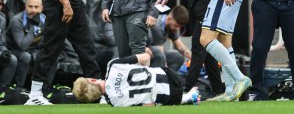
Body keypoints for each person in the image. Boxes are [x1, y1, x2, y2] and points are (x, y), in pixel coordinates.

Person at [72, 53, 200, 106]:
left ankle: (187, 97)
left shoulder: (114, 102)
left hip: (171, 97)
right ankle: (188, 95)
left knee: (151, 100)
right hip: (170, 76)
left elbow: (147, 106)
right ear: (93, 80)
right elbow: (145, 56)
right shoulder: (112, 66)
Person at [6, 0, 45, 90]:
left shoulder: (43, 19)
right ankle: (19, 88)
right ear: (25, 6)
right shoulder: (17, 20)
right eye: (30, 6)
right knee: (26, 56)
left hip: (32, 49)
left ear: (42, 8)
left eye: (36, 7)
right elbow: (22, 45)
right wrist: (33, 26)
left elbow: (45, 41)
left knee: (51, 55)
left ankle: (44, 88)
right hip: (13, 50)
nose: (33, 10)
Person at [148, 5, 191, 71]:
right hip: (146, 52)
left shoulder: (171, 26)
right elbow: (160, 51)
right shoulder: (157, 25)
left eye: (180, 27)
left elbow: (180, 47)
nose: (178, 29)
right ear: (169, 19)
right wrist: (165, 67)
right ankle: (162, 78)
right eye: (177, 26)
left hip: (157, 53)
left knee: (178, 57)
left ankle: (169, 78)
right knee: (160, 54)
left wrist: (194, 59)